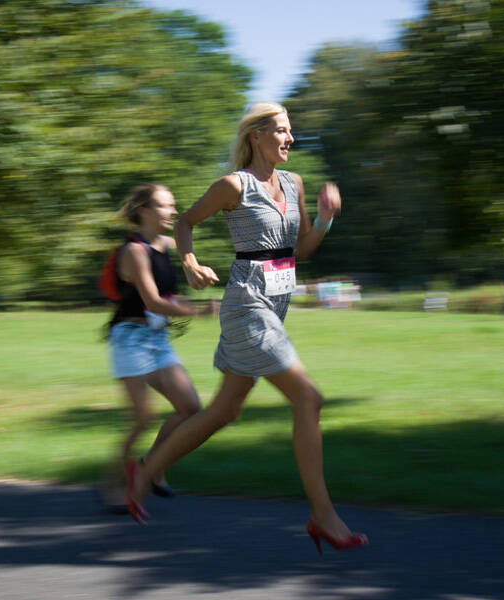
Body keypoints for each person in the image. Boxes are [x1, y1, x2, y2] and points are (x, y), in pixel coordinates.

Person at [126, 103, 368, 554]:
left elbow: (300, 250)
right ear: (256, 136)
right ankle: (323, 516)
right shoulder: (233, 185)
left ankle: (143, 472)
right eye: (280, 130)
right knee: (309, 398)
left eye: (290, 130)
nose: (289, 138)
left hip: (276, 305)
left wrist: (325, 219)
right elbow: (185, 223)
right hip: (246, 304)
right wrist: (192, 262)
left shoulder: (293, 183)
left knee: (223, 412)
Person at [100, 184, 204, 512]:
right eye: (163, 206)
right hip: (129, 336)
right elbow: (153, 302)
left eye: (173, 205)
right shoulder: (134, 251)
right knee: (143, 418)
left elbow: (168, 296)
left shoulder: (168, 246)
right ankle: (112, 488)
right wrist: (198, 311)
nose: (172, 211)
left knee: (189, 407)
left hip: (157, 339)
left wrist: (194, 287)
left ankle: (152, 466)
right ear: (144, 210)